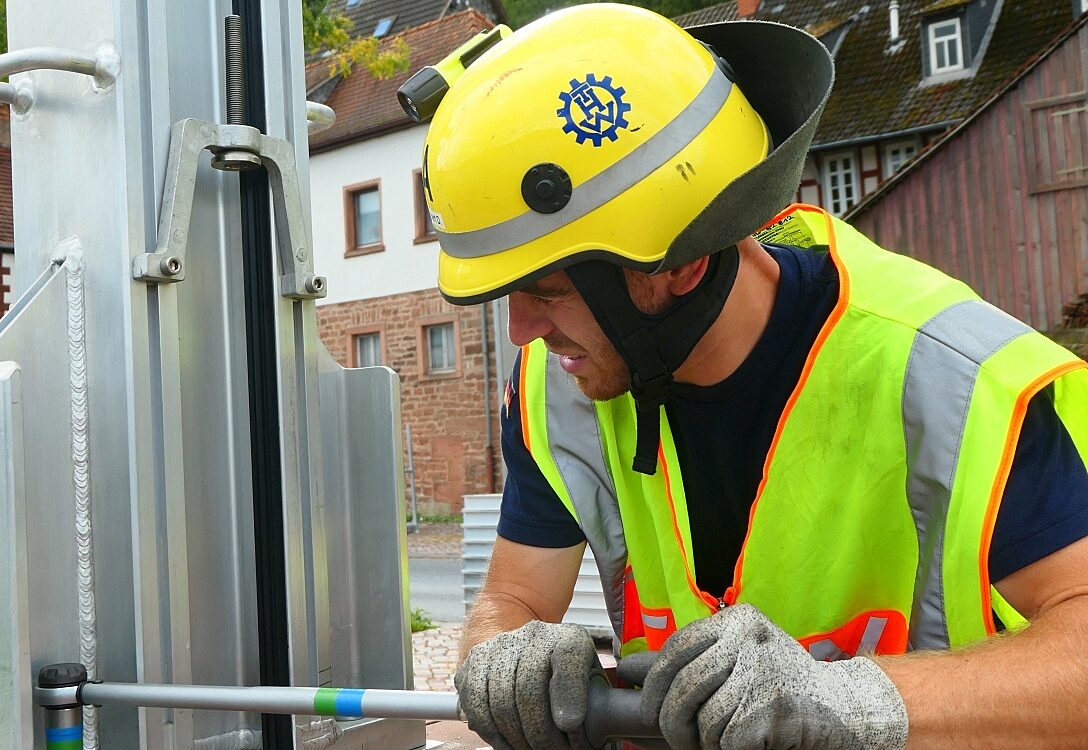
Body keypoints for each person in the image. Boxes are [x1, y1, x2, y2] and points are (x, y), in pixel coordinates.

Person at [397, 5, 1088, 749]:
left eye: (550, 292)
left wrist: (854, 703)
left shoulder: (950, 377)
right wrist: (500, 650)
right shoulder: (559, 385)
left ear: (681, 262)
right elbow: (513, 595)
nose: (522, 332)